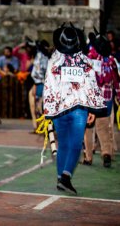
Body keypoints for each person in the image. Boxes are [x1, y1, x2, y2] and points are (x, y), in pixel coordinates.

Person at [43, 23, 105, 195]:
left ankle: (61, 177)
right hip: (79, 108)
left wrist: (48, 110)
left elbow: (49, 86)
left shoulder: (53, 60)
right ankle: (65, 177)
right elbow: (91, 85)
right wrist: (92, 109)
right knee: (76, 144)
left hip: (59, 110)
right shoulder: (85, 60)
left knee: (64, 144)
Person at [83, 32, 120, 167]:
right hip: (106, 100)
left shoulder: (90, 60)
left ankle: (88, 157)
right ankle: (106, 154)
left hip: (92, 100)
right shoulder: (111, 61)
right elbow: (117, 82)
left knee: (88, 129)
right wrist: (119, 97)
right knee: (104, 128)